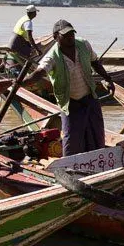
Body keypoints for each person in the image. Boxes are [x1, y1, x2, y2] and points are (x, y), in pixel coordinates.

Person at [29, 20, 115, 156]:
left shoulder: (83, 45)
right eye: (66, 35)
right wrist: (21, 82)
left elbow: (95, 62)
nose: (70, 38)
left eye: (72, 34)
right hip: (70, 102)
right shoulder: (52, 56)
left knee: (96, 133)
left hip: (89, 97)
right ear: (56, 37)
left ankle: (96, 161)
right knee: (72, 139)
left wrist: (108, 79)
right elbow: (39, 73)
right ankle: (69, 169)